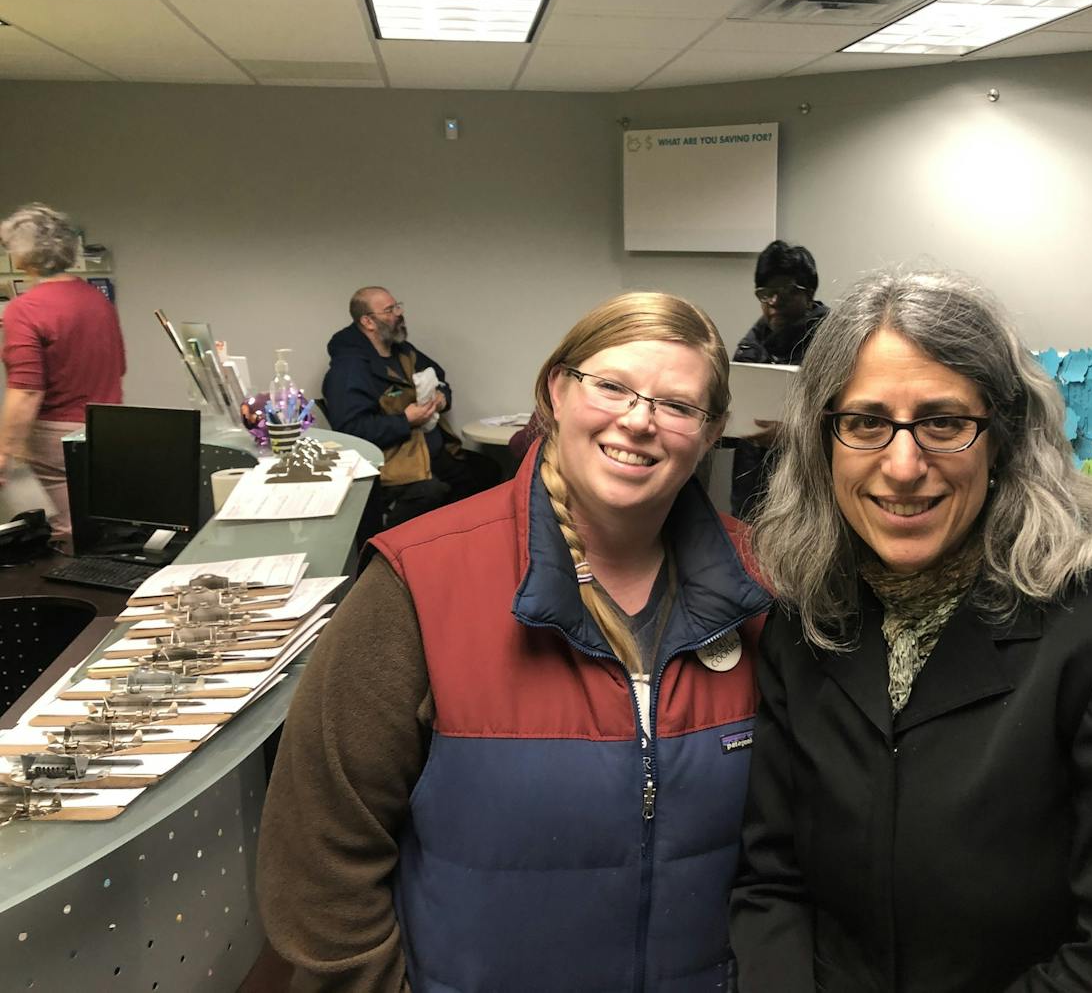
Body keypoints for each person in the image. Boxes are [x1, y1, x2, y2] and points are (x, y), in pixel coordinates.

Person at [259, 291, 772, 991]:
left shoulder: (766, 588)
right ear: (557, 391)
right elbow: (319, 855)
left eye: (678, 407)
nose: (639, 420)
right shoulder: (418, 582)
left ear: (713, 433)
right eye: (613, 386)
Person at [730, 269, 1092, 992]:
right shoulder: (803, 628)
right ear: (823, 444)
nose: (902, 466)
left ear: (1003, 438)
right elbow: (772, 885)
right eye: (865, 423)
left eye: (943, 423)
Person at [323, 285, 498, 527]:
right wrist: (404, 420)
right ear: (368, 322)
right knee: (434, 491)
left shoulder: (403, 352)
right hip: (396, 466)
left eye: (397, 306)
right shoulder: (349, 369)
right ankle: (397, 551)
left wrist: (441, 397)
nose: (398, 313)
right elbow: (352, 430)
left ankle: (461, 544)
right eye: (389, 310)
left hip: (431, 452)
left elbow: (439, 377)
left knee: (488, 471)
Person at [0, 203, 125, 539]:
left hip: (57, 439)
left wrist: (3, 451)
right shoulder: (97, 301)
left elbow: (26, 390)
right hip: (110, 427)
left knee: (69, 536)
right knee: (106, 527)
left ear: (21, 255)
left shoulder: (24, 309)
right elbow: (118, 367)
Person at [728, 240, 827, 519]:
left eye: (784, 291)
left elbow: (851, 422)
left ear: (808, 294)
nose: (773, 302)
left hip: (808, 494)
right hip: (751, 490)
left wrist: (795, 435)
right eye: (765, 293)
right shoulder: (750, 346)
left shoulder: (832, 345)